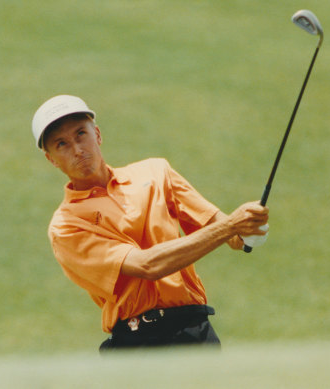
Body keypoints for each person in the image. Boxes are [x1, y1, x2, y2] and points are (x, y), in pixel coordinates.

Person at [31, 95, 269, 352]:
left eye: (81, 134)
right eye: (62, 144)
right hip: (138, 343)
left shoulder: (156, 172)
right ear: (51, 159)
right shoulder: (66, 225)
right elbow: (147, 265)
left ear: (97, 134)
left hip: (196, 331)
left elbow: (232, 236)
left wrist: (252, 229)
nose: (77, 149)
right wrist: (232, 226)